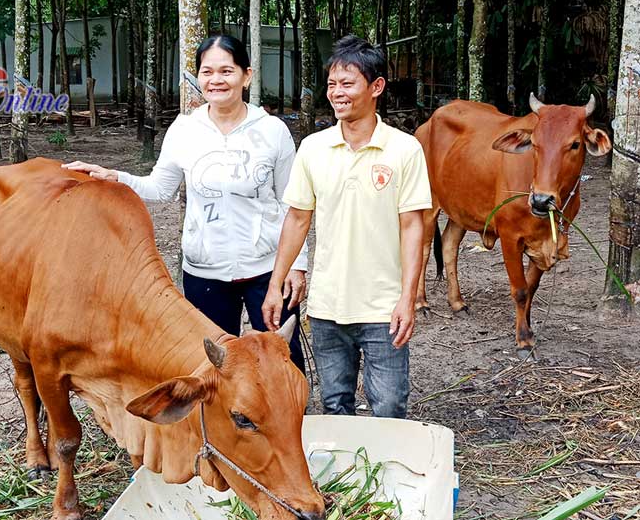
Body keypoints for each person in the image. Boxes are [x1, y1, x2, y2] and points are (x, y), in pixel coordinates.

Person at [63, 35, 309, 372]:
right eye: (207, 72)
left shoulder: (272, 131)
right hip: (204, 272)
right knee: (214, 369)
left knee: (284, 361)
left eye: (227, 71)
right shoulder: (185, 129)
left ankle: (295, 422)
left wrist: (297, 265)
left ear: (246, 75)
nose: (216, 80)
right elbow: (160, 188)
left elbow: (291, 204)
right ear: (198, 77)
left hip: (266, 270)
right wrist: (112, 176)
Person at [262, 35, 431, 418]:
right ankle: (348, 477)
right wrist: (276, 284)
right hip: (326, 306)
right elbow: (297, 218)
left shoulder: (405, 150)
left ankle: (385, 473)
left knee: (388, 406)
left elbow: (412, 227)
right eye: (332, 84)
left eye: (347, 83)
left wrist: (408, 297)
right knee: (335, 404)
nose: (337, 93)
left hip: (383, 307)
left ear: (376, 87)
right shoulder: (313, 148)